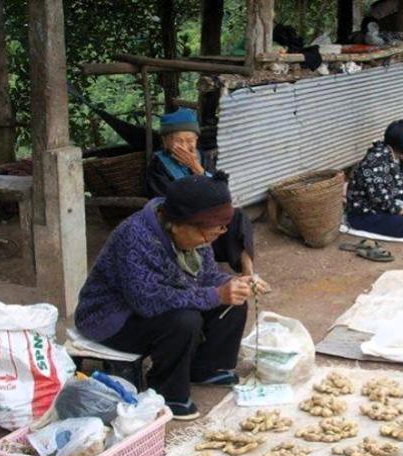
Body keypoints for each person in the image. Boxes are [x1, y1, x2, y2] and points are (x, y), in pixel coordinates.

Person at [74, 175, 268, 420]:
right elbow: (147, 300)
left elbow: (207, 275)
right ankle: (168, 392)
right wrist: (215, 294)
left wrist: (232, 283)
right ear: (177, 225)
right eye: (206, 235)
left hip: (152, 305)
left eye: (216, 233)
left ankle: (204, 368)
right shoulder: (134, 238)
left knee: (233, 301)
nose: (209, 241)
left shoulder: (194, 231)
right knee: (184, 321)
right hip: (113, 318)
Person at [146, 107, 255, 276]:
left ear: (196, 140)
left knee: (238, 216)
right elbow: (163, 201)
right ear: (165, 142)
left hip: (209, 213)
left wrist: (196, 168)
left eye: (190, 140)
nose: (185, 146)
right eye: (178, 141)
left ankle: (248, 272)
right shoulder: (158, 165)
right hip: (183, 218)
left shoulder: (202, 158)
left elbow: (222, 191)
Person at [345, 119, 403, 240]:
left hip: (392, 202)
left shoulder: (398, 155)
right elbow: (377, 196)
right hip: (369, 213)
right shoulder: (375, 160)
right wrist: (398, 210)